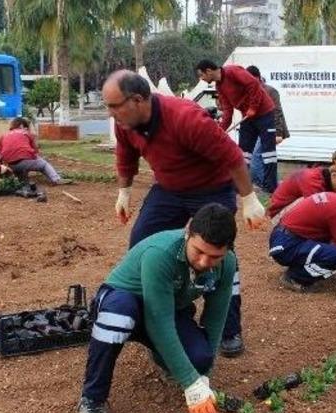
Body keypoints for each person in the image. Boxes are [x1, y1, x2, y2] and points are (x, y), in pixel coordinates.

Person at [103, 70, 267, 358]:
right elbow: (126, 156)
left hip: (212, 188)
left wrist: (249, 198)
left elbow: (232, 156)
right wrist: (124, 192)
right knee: (141, 246)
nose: (110, 113)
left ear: (138, 100)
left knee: (218, 256)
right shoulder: (125, 124)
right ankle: (159, 320)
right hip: (169, 190)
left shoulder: (185, 118)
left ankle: (229, 329)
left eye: (115, 106)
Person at [78, 203, 237, 413]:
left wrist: (203, 375)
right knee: (118, 316)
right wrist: (189, 381)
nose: (204, 262)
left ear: (228, 250)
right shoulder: (161, 253)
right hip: (124, 301)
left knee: (200, 358)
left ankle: (166, 359)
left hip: (167, 308)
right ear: (188, 233)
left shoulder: (228, 264)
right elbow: (159, 322)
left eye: (214, 257)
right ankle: (92, 399)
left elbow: (215, 319)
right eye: (198, 251)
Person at [195, 60, 279, 192]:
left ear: (209, 71)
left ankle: (271, 188)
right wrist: (220, 131)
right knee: (243, 153)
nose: (202, 79)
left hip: (264, 113)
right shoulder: (219, 87)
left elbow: (253, 84)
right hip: (248, 116)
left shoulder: (232, 71)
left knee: (269, 153)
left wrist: (253, 107)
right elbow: (228, 111)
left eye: (202, 75)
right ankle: (240, 186)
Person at [267, 151, 336, 218]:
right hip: (277, 214)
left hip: (288, 210)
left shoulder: (323, 177)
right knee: (317, 206)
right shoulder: (313, 182)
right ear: (334, 175)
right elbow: (316, 213)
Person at [245, 65, 290, 191]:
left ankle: (266, 185)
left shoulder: (270, 91)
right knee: (264, 158)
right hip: (258, 130)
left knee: (257, 157)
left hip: (271, 129)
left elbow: (277, 112)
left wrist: (278, 133)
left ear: (256, 77)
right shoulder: (250, 92)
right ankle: (272, 185)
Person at [0, 117, 71, 185]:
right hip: (24, 162)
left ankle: (22, 181)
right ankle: (56, 179)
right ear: (22, 126)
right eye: (26, 127)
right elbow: (35, 151)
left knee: (22, 164)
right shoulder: (25, 132)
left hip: (10, 165)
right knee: (43, 164)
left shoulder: (3, 135)